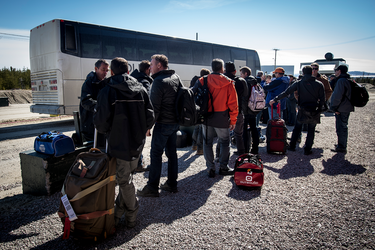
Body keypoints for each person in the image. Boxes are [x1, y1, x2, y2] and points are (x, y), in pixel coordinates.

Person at [93, 57, 155, 228]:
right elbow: (150, 116)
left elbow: (100, 122)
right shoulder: (140, 88)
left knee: (123, 180)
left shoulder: (107, 90)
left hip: (118, 143)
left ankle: (132, 213)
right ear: (128, 70)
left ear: (112, 71)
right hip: (137, 143)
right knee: (126, 177)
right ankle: (117, 213)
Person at [137, 54, 181, 197]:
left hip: (163, 124)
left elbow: (154, 108)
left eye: (152, 64)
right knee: (172, 154)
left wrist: (147, 127)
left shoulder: (158, 82)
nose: (150, 67)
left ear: (159, 66)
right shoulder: (175, 77)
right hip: (174, 123)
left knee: (156, 154)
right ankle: (172, 184)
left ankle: (152, 187)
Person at [192, 58, 238, 178]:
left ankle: (210, 168)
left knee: (207, 142)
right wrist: (233, 120)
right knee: (224, 142)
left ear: (212, 67)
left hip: (206, 116)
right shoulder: (229, 82)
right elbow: (233, 104)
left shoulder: (203, 80)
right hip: (222, 117)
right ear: (222, 68)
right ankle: (223, 167)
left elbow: (192, 95)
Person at [269, 66, 325, 155]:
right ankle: (307, 149)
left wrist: (275, 99)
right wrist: (320, 109)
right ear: (311, 72)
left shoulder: (299, 83)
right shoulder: (319, 84)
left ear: (303, 73)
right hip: (314, 109)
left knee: (297, 128)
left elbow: (286, 92)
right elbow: (322, 99)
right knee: (311, 130)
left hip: (302, 108)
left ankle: (292, 146)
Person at [130, 60, 153, 172]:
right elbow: (147, 102)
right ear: (147, 69)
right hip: (140, 118)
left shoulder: (133, 79)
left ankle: (134, 163)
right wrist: (148, 124)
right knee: (140, 142)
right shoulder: (145, 82)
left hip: (131, 115)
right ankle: (138, 164)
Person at [79, 59, 109, 143]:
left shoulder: (106, 83)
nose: (105, 73)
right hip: (89, 123)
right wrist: (100, 107)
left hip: (101, 122)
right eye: (103, 69)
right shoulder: (88, 83)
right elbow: (85, 101)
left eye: (107, 70)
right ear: (96, 69)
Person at [224, 61, 248, 155]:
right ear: (235, 71)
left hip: (224, 111)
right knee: (238, 134)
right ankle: (241, 152)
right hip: (238, 110)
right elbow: (246, 94)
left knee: (223, 136)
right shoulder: (241, 81)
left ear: (225, 70)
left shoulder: (222, 80)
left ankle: (221, 155)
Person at [329, 65, 354, 153]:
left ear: (339, 71)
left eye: (335, 70)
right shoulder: (348, 79)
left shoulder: (341, 81)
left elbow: (337, 96)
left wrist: (334, 107)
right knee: (344, 126)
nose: (335, 72)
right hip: (347, 107)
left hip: (341, 108)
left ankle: (341, 146)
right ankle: (342, 144)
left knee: (341, 127)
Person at [240, 66, 260, 154]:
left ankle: (245, 149)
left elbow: (244, 99)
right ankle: (255, 148)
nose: (240, 76)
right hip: (254, 109)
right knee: (254, 129)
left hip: (246, 110)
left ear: (246, 74)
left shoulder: (245, 83)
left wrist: (242, 111)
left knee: (243, 130)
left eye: (241, 74)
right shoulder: (255, 82)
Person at [191, 68, 210, 155]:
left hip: (195, 107)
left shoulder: (195, 80)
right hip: (203, 107)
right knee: (201, 128)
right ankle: (200, 148)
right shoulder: (205, 82)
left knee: (197, 126)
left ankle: (194, 145)